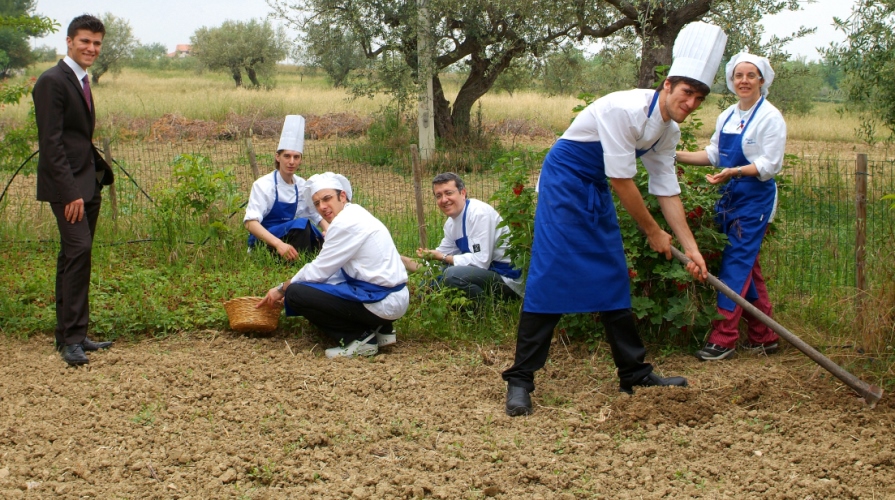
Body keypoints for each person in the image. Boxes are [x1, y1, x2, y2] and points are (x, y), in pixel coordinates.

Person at [502, 22, 728, 416]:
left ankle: (634, 373)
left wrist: (691, 249)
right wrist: (654, 232)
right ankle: (521, 380)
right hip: (565, 184)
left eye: (699, 98)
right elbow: (622, 179)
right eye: (687, 93)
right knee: (550, 275)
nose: (691, 103)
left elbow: (666, 188)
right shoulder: (624, 110)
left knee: (611, 273)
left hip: (596, 188)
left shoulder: (668, 131)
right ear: (668, 85)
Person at [676, 52, 786, 361]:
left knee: (736, 263)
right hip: (729, 197)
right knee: (749, 264)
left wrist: (735, 171)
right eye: (739, 75)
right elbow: (714, 154)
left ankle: (723, 338)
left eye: (751, 75)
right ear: (731, 80)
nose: (744, 81)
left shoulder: (770, 117)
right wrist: (672, 154)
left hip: (755, 199)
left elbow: (769, 164)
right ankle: (765, 336)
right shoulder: (727, 115)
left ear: (762, 80)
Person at [33, 15, 115, 366]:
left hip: (87, 181)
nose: (91, 49)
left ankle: (73, 334)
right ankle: (71, 341)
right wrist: (69, 193)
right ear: (69, 42)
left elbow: (76, 136)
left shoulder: (81, 79)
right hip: (68, 187)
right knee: (79, 250)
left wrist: (90, 181)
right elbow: (50, 143)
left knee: (73, 256)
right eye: (84, 41)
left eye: (96, 43)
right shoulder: (52, 80)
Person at [257, 173, 409, 358]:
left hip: (382, 301)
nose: (322, 207)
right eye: (317, 203)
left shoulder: (344, 223)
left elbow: (319, 270)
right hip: (394, 296)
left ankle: (357, 339)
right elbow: (334, 272)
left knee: (297, 293)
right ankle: (381, 329)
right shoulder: (357, 213)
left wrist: (282, 289)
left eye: (327, 198)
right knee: (320, 285)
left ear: (342, 196)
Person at [403, 172, 523, 300]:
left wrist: (442, 257)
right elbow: (437, 263)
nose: (444, 200)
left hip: (507, 279)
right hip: (486, 273)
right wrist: (403, 260)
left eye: (448, 193)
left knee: (452, 274)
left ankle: (486, 311)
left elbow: (480, 262)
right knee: (434, 280)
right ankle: (421, 306)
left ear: (463, 193)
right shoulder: (451, 224)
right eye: (438, 196)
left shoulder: (478, 214)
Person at [244, 115, 327, 261]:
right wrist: (279, 244)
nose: (291, 162)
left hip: (288, 236)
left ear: (301, 159)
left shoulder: (301, 185)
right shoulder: (264, 185)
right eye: (287, 156)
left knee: (313, 230)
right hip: (265, 241)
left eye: (296, 157)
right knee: (302, 225)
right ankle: (305, 260)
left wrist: (327, 229)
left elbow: (314, 214)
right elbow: (250, 223)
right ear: (278, 157)